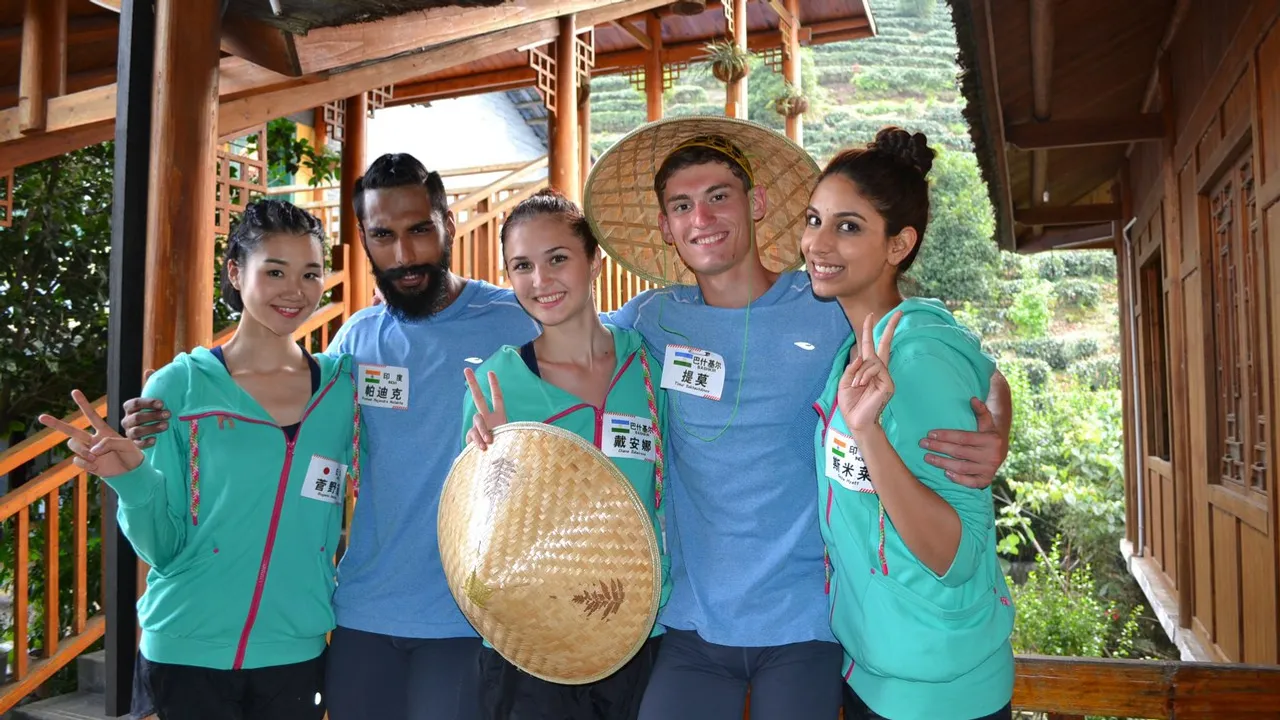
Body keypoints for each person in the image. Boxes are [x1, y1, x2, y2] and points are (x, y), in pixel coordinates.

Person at [582, 118, 1013, 720]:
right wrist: (495, 426)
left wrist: (996, 427)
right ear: (666, 227)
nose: (701, 218)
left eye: (718, 196)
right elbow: (567, 352)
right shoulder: (652, 318)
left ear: (756, 204)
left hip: (817, 619)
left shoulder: (828, 304)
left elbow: (964, 360)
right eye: (682, 205)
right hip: (701, 618)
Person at [120, 153, 540, 720]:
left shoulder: (517, 320)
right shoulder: (353, 347)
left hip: (466, 614)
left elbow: (590, 358)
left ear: (448, 223)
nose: (403, 254)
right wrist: (153, 427)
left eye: (419, 229)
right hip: (356, 612)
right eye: (383, 235)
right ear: (363, 240)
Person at [40, 199, 360, 719]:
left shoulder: (341, 390)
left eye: (310, 273)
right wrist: (131, 480)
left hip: (295, 651)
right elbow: (163, 548)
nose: (295, 290)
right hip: (185, 650)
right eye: (274, 271)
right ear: (235, 273)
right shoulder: (179, 389)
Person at [805, 127, 1015, 720]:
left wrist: (868, 434)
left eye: (849, 227)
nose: (819, 243)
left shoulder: (917, 358)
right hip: (878, 662)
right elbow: (990, 374)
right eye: (814, 220)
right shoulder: (862, 348)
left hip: (938, 688)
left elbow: (955, 553)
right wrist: (1000, 408)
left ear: (898, 245)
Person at [460, 188, 669, 720]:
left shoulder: (647, 365)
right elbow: (478, 538)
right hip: (530, 647)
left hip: (638, 634)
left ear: (594, 261)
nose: (541, 280)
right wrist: (498, 462)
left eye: (557, 259)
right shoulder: (497, 383)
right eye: (522, 266)